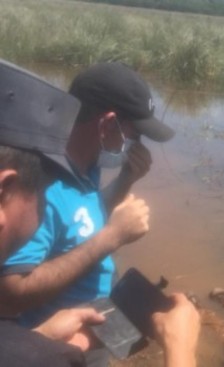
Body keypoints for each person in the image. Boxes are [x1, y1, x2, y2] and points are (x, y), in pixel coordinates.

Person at [0, 59, 200, 367]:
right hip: (53, 346)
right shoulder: (39, 187)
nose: (136, 145)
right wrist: (112, 237)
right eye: (133, 135)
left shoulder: (87, 163)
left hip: (93, 323)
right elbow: (9, 293)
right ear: (107, 125)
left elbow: (82, 219)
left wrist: (125, 180)